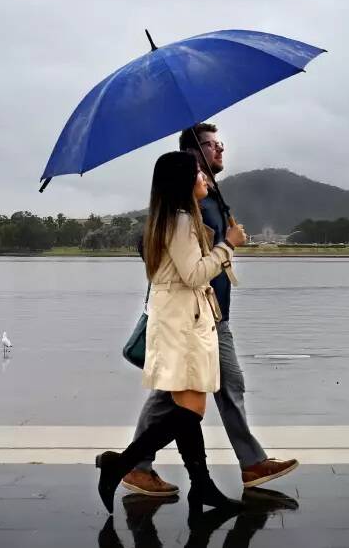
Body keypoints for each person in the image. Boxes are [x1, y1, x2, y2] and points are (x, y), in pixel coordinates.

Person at [121, 123, 299, 497]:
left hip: (212, 311)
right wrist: (226, 246)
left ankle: (242, 466)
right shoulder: (188, 205)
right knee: (186, 398)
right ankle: (135, 466)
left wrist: (222, 242)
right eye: (211, 145)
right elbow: (157, 246)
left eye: (221, 144)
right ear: (192, 154)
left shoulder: (210, 196)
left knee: (210, 390)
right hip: (193, 316)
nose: (220, 150)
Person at [95, 150, 248, 513]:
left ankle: (202, 486)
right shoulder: (179, 222)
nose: (205, 179)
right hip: (182, 324)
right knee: (192, 410)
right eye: (198, 173)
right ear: (182, 181)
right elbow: (194, 274)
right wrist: (228, 246)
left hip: (179, 319)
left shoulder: (173, 219)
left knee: (188, 408)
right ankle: (121, 464)